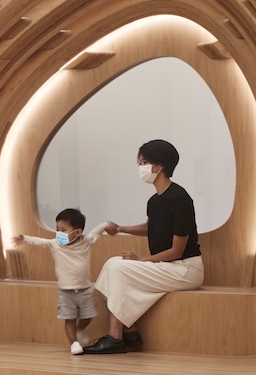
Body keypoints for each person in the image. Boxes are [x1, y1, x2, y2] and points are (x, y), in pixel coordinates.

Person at [83, 139, 203, 354]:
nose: (141, 168)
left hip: (186, 268)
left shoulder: (180, 199)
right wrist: (120, 228)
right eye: (140, 162)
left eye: (145, 162)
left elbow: (176, 251)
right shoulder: (155, 201)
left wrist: (140, 260)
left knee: (118, 268)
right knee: (113, 263)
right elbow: (150, 228)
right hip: (168, 266)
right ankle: (129, 331)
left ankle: (116, 336)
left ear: (160, 166)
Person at [9, 207, 105, 354]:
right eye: (57, 229)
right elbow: (40, 241)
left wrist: (106, 225)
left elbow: (97, 231)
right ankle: (74, 343)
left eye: (63, 230)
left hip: (85, 288)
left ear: (78, 232)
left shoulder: (85, 241)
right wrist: (25, 239)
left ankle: (80, 329)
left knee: (89, 315)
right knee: (69, 318)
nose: (58, 233)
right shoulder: (55, 244)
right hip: (66, 290)